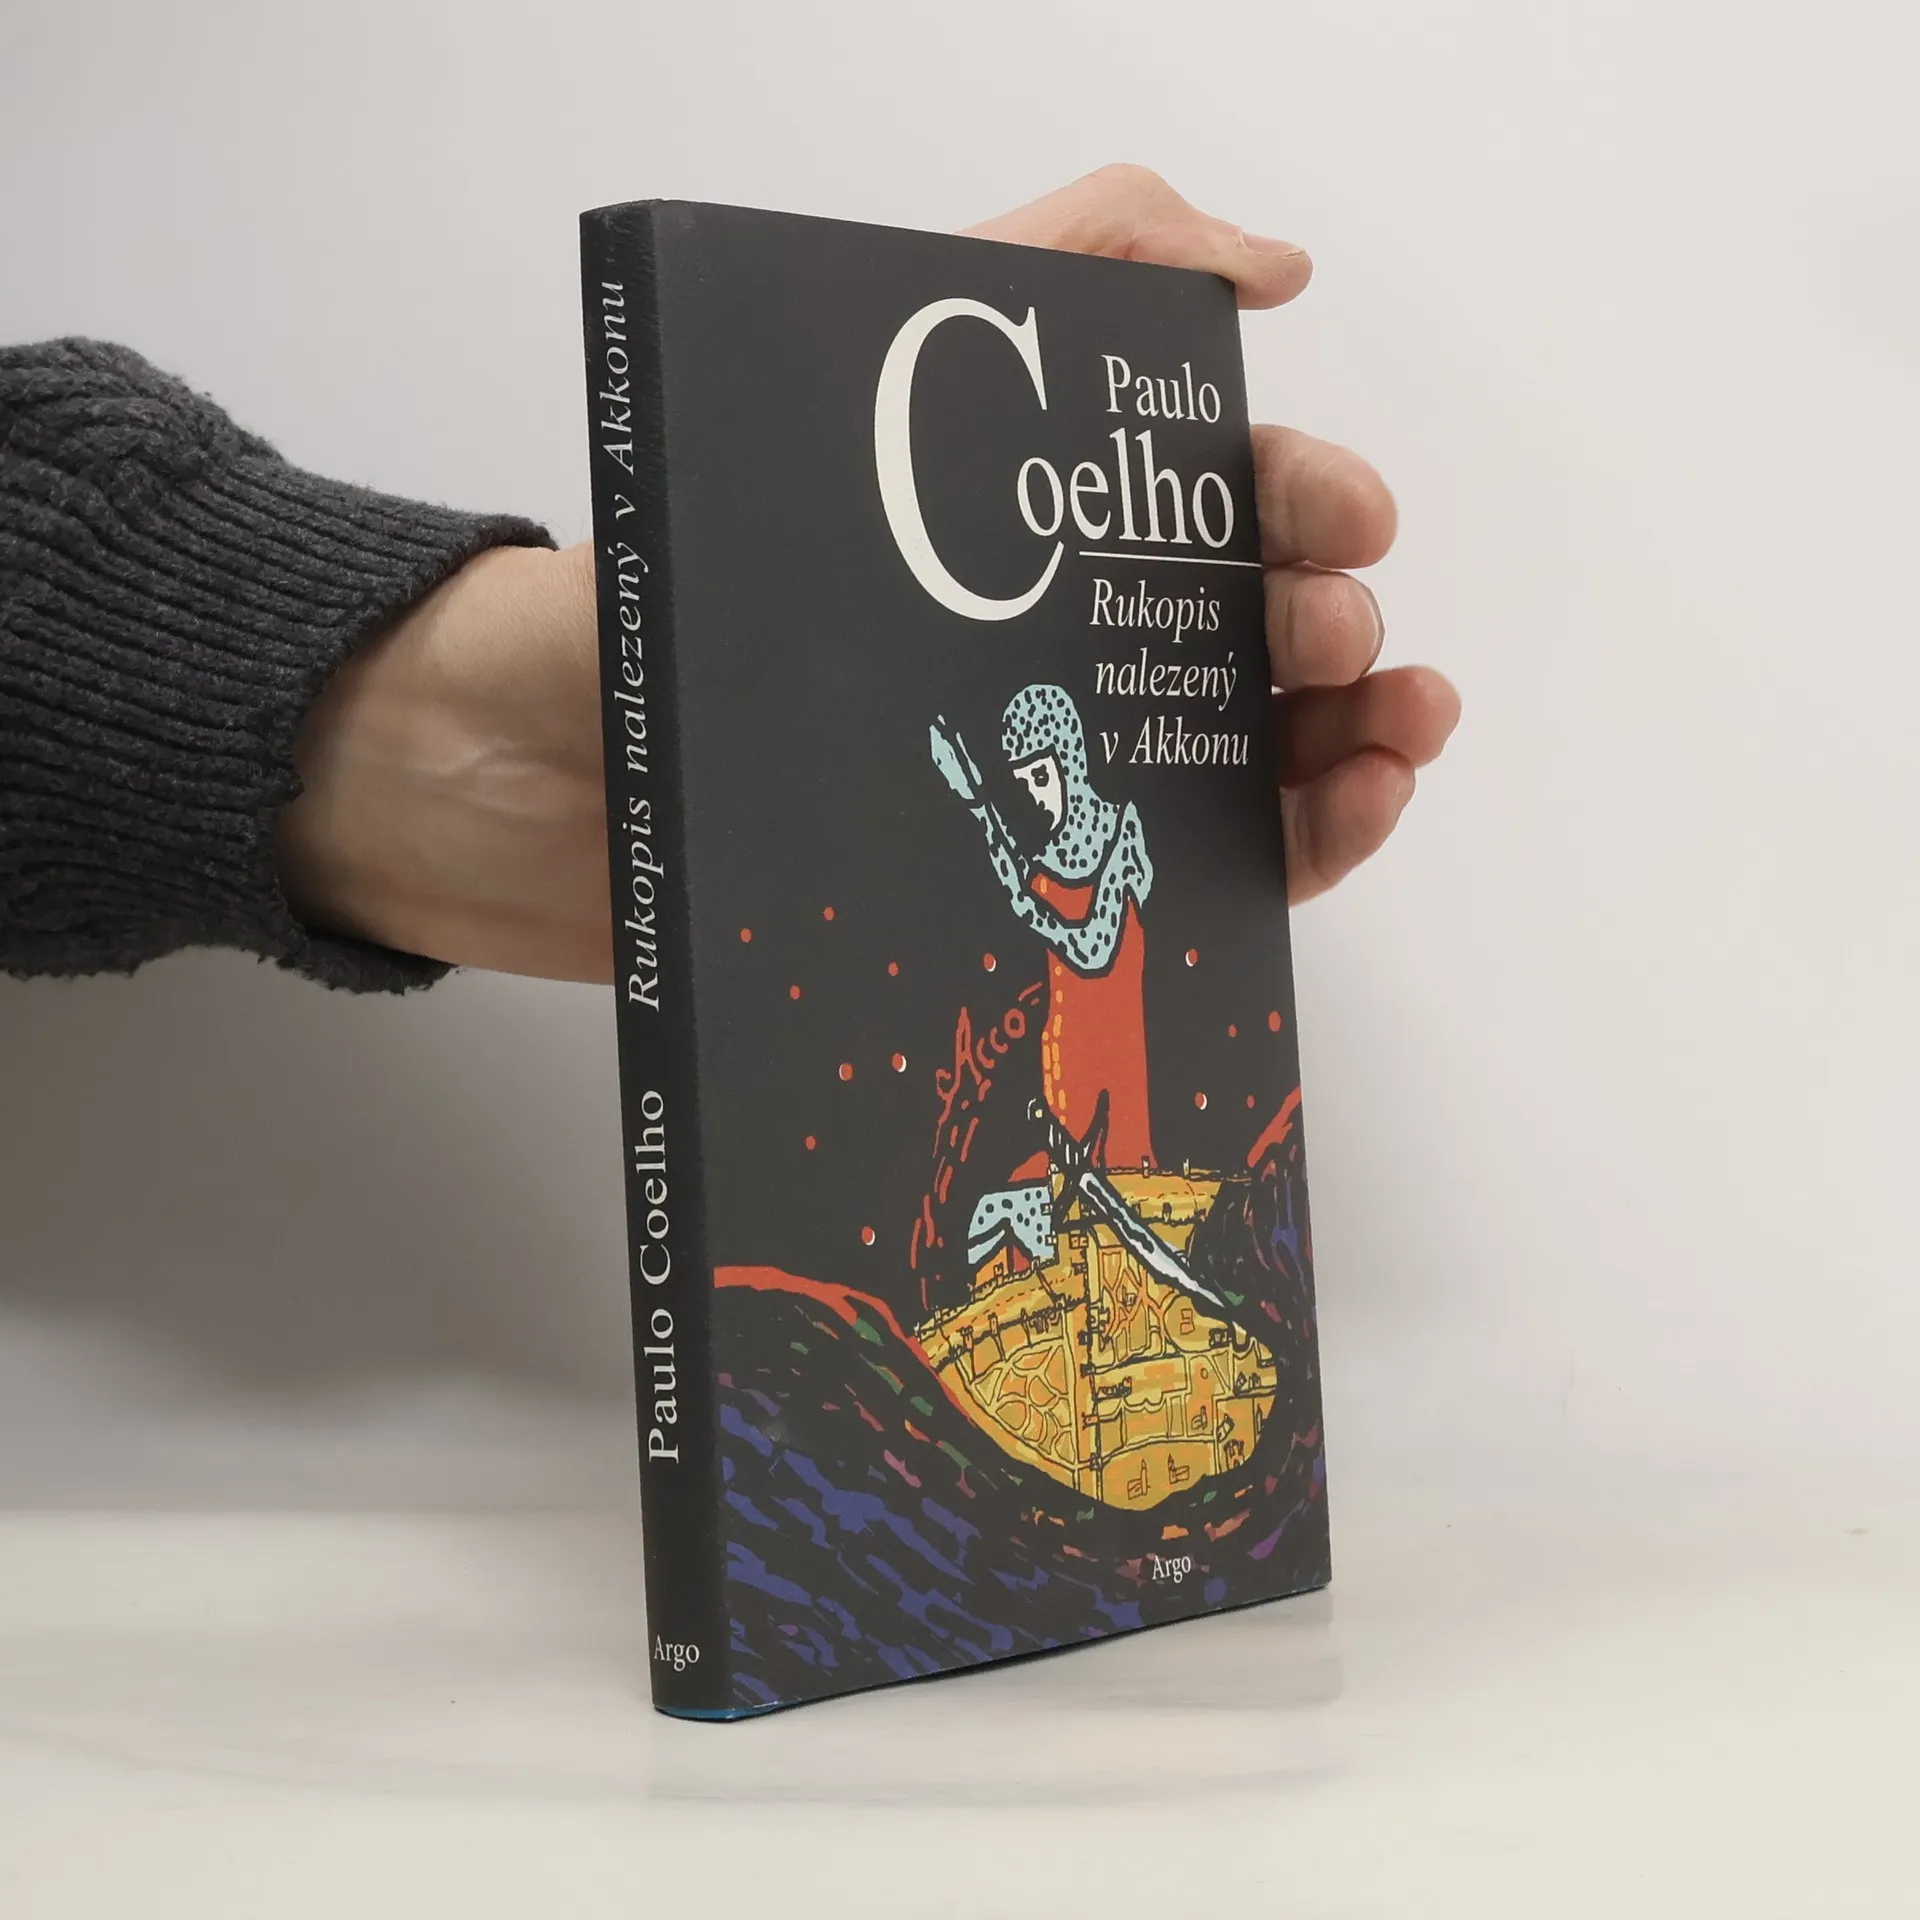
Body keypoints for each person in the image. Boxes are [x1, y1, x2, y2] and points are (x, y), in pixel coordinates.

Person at [0, 167, 1459, 993]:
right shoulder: (1041, 833)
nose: (1033, 788)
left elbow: (1087, 921)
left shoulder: (1106, 839)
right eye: (1022, 773)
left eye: (1039, 770)